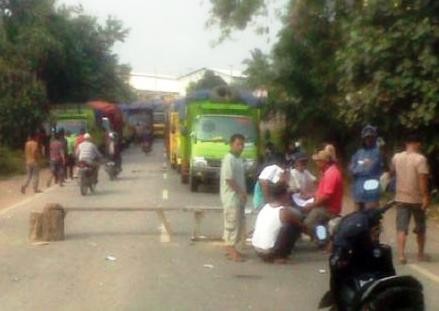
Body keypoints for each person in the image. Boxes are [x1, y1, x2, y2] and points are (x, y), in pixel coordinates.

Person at [391, 134, 430, 264]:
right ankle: (420, 254)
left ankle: (401, 255)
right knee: (420, 227)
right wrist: (425, 196)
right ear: (417, 144)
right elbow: (422, 180)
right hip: (416, 199)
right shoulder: (420, 159)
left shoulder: (396, 157)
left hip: (401, 197)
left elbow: (392, 172)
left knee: (402, 227)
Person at [252, 183, 304, 263]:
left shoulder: (265, 207)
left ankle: (278, 253)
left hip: (258, 250)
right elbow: (302, 226)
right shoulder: (283, 211)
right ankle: (280, 255)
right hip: (269, 252)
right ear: (283, 195)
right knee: (291, 227)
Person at [220, 134, 247, 262]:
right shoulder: (228, 159)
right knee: (232, 223)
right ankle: (231, 250)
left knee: (239, 223)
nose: (241, 147)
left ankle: (233, 249)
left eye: (242, 144)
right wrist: (241, 192)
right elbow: (229, 179)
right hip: (231, 197)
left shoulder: (239, 159)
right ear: (231, 144)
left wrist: (243, 194)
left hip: (239, 197)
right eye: (238, 144)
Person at [304, 150, 343, 237]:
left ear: (323, 162)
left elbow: (326, 196)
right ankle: (323, 236)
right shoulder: (327, 172)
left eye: (317, 161)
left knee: (307, 224)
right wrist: (312, 195)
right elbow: (322, 191)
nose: (316, 164)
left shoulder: (331, 174)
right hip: (324, 206)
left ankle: (324, 240)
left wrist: (312, 205)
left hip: (328, 209)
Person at [349, 125, 383, 209]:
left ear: (374, 138)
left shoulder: (378, 153)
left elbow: (370, 168)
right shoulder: (359, 152)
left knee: (371, 216)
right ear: (363, 139)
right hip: (358, 188)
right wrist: (359, 168)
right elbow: (351, 168)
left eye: (371, 138)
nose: (368, 140)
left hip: (372, 189)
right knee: (357, 216)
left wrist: (359, 168)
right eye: (366, 138)